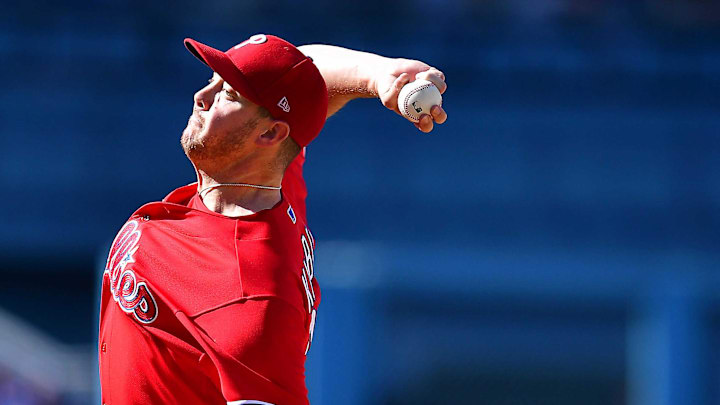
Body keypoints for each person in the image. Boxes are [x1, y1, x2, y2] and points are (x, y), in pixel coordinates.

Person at [98, 33, 447, 405]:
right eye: (212, 81)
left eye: (228, 94)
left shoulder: (251, 294)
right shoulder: (273, 182)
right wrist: (379, 76)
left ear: (269, 133)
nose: (202, 98)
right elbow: (304, 70)